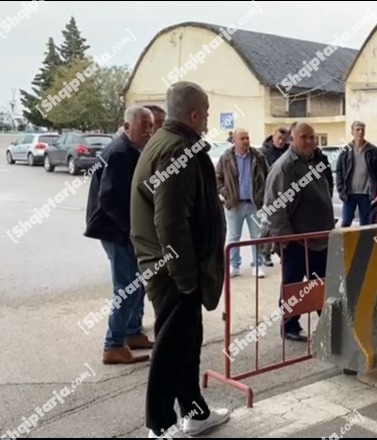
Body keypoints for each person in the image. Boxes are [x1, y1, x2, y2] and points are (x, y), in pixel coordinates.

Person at [130, 81, 230, 437]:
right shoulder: (177, 151)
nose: (207, 119)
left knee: (187, 341)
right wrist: (187, 278)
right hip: (174, 271)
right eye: (205, 112)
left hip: (176, 269)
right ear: (194, 114)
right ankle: (159, 425)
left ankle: (195, 410)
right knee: (172, 346)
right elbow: (170, 222)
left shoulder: (170, 143)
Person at [84, 106, 155, 365]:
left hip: (126, 232)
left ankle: (133, 332)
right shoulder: (119, 152)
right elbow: (110, 199)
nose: (149, 130)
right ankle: (113, 345)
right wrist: (132, 229)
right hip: (117, 232)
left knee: (137, 283)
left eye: (150, 124)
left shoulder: (131, 150)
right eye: (143, 125)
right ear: (127, 127)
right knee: (126, 287)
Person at [262, 122, 334, 342]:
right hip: (297, 241)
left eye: (312, 137)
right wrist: (289, 241)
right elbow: (274, 208)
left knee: (320, 284)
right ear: (291, 140)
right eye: (304, 137)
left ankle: (327, 326)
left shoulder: (315, 161)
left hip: (320, 239)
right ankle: (290, 325)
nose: (310, 141)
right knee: (294, 285)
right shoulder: (285, 167)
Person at [216, 128, 271, 278]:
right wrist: (226, 193)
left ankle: (257, 265)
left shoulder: (258, 156)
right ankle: (234, 266)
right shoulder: (226, 158)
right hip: (234, 204)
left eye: (247, 138)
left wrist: (263, 195)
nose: (246, 141)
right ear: (234, 140)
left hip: (254, 203)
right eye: (242, 138)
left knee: (256, 236)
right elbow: (217, 177)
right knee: (234, 237)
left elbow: (268, 176)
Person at [335, 121, 377, 227]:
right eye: (357, 129)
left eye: (362, 129)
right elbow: (339, 171)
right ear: (352, 132)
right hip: (349, 193)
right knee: (346, 221)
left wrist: (375, 189)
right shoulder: (346, 151)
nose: (360, 132)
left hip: (365, 194)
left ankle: (365, 243)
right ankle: (345, 244)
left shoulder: (372, 150)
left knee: (365, 223)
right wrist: (341, 189)